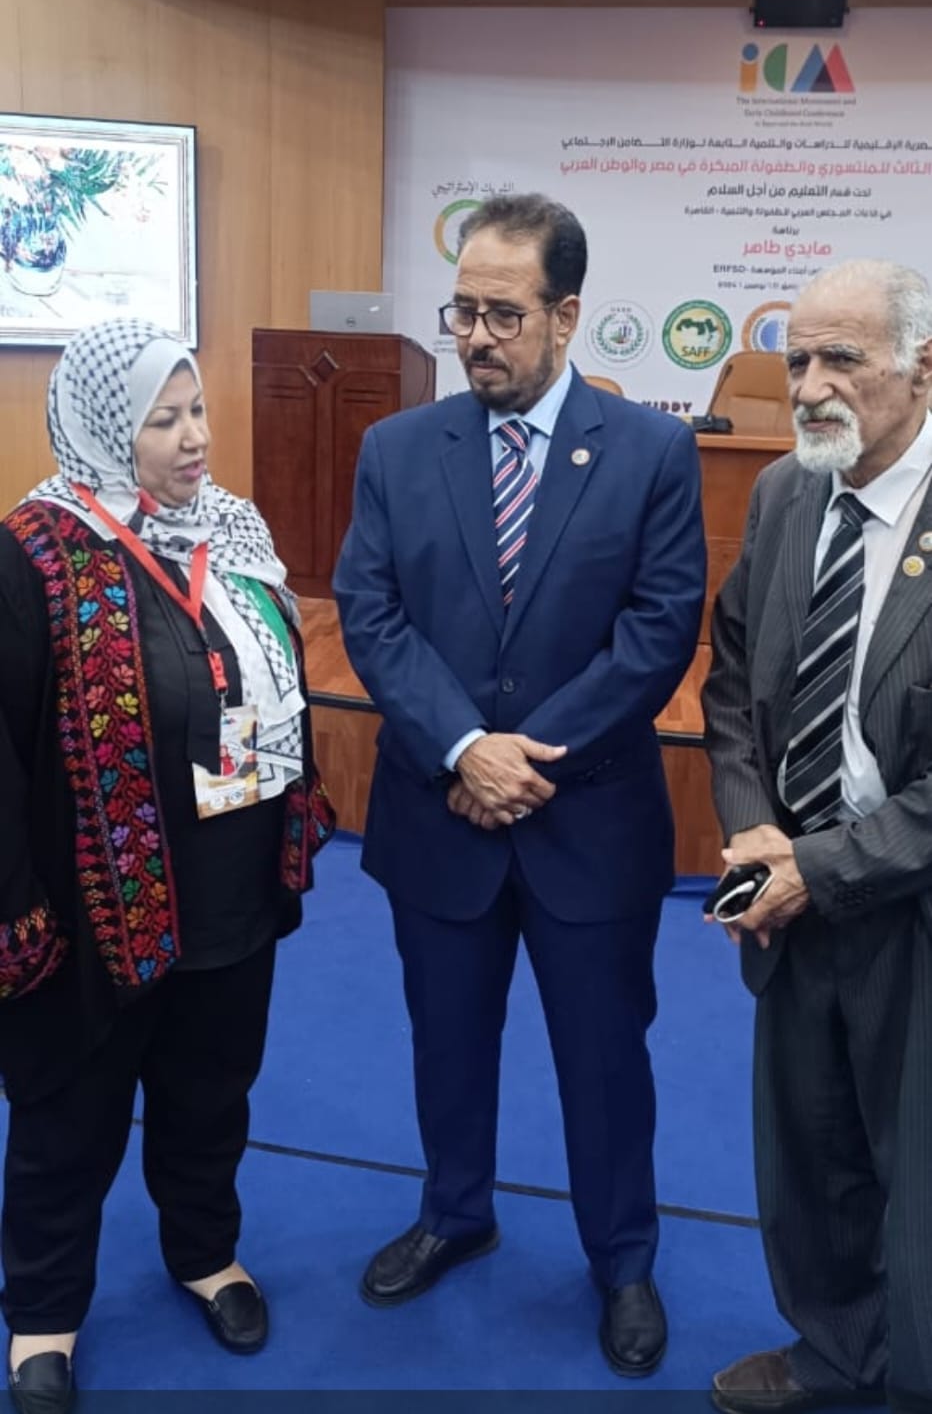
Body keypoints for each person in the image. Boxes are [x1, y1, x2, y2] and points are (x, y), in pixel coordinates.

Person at [333, 193, 705, 1374]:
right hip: (438, 814)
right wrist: (462, 747)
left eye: (503, 313)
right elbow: (370, 614)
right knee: (446, 1042)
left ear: (565, 315)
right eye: (462, 311)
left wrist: (520, 758)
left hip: (585, 823)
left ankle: (623, 1260)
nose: (476, 337)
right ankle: (454, 1213)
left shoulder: (649, 451)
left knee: (603, 1060)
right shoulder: (397, 449)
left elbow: (656, 632)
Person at [0, 319, 333, 1413]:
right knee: (69, 1119)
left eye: (197, 411)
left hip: (231, 890)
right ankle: (43, 1313)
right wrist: (15, 910)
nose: (196, 438)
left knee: (210, 1094)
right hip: (94, 910)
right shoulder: (33, 555)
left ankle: (204, 1252)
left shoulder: (232, 530)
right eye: (163, 420)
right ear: (106, 428)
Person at [702, 259, 932, 1413]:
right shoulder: (785, 496)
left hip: (906, 904)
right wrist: (755, 837)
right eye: (795, 360)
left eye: (840, 358)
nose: (807, 387)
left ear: (921, 369)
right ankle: (837, 1354)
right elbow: (732, 681)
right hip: (788, 896)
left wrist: (821, 867)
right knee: (810, 1151)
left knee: (916, 1172)